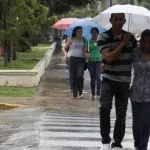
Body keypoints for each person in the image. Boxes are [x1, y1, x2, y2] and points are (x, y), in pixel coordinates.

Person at [97, 13, 137, 150]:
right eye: (116, 19)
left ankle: (117, 143)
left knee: (121, 113)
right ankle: (105, 141)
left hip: (124, 81)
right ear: (111, 20)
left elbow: (137, 57)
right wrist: (123, 43)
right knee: (105, 108)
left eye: (121, 19)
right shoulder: (104, 36)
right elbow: (108, 58)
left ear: (124, 21)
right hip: (108, 79)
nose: (118, 22)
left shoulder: (131, 38)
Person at [130, 29, 150, 150]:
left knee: (146, 121)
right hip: (136, 91)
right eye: (144, 41)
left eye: (149, 42)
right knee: (136, 122)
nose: (147, 45)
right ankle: (137, 143)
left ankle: (144, 145)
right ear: (140, 41)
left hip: (149, 93)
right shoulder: (135, 52)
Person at [62, 26, 86, 99]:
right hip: (72, 59)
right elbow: (64, 48)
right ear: (75, 32)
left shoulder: (84, 39)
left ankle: (81, 92)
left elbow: (86, 49)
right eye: (78, 31)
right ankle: (74, 93)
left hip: (81, 60)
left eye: (81, 31)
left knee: (79, 76)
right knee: (73, 76)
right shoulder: (71, 39)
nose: (80, 33)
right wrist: (66, 54)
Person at [84, 27, 102, 100]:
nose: (94, 34)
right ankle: (93, 93)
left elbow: (104, 50)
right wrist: (87, 55)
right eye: (92, 32)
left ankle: (98, 93)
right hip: (90, 61)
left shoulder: (101, 41)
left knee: (98, 76)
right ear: (91, 33)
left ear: (98, 33)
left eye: (95, 32)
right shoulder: (88, 42)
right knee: (92, 77)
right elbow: (85, 51)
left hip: (99, 61)